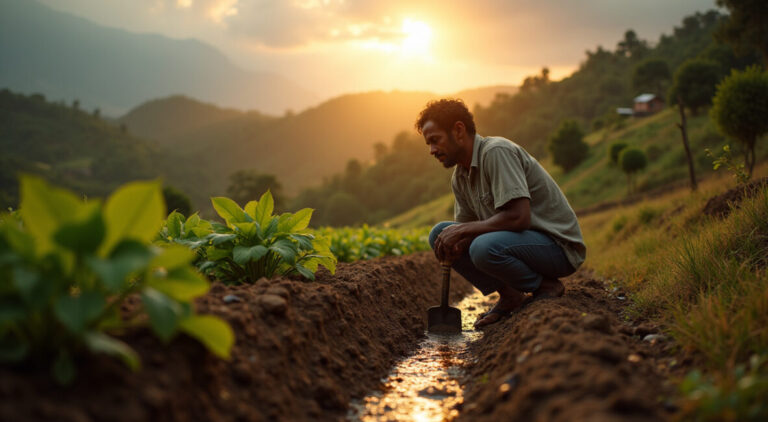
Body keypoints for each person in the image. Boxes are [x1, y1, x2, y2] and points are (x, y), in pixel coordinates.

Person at [416, 99, 586, 328]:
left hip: (557, 248)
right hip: (520, 245)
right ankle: (510, 295)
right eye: (429, 144)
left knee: (482, 247)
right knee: (441, 233)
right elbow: (463, 232)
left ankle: (546, 286)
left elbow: (519, 217)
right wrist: (453, 243)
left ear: (458, 130)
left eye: (435, 141)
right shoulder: (460, 177)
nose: (432, 151)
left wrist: (464, 231)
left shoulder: (496, 152)